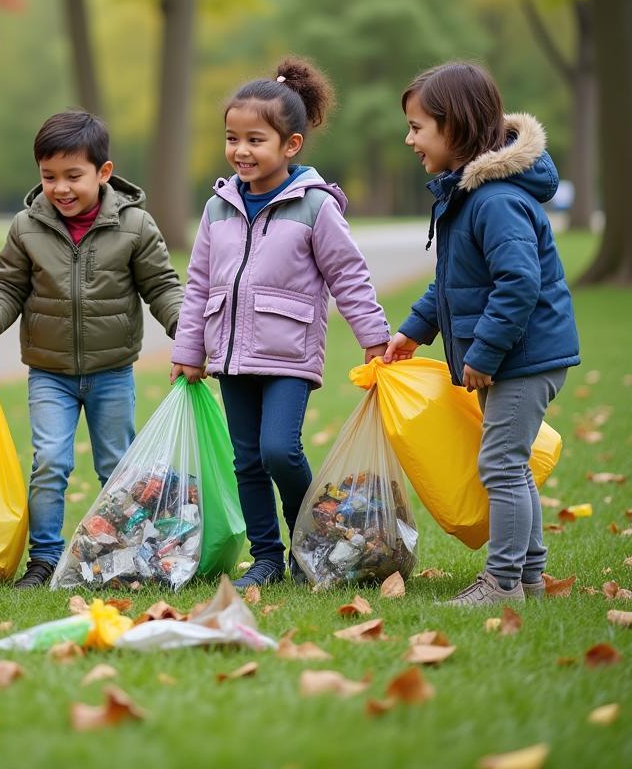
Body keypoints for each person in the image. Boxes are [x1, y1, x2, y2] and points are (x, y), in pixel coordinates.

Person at [171, 57, 390, 590]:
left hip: (288, 353)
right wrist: (188, 347)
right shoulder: (218, 207)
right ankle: (267, 558)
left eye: (254, 140)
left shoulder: (314, 206)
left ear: (290, 145)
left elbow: (348, 274)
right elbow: (199, 282)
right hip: (228, 354)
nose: (241, 151)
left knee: (279, 451)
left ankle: (310, 541)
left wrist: (375, 338)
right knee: (246, 461)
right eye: (232, 138)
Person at [385, 61, 579, 606]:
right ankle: (531, 578)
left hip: (524, 355)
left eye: (418, 127)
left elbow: (518, 283)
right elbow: (457, 283)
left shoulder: (495, 200)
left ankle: (501, 584)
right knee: (508, 464)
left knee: (500, 465)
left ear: (456, 126)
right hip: (513, 353)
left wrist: (487, 352)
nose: (410, 139)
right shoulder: (470, 194)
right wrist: (415, 331)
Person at [0, 111, 184, 588]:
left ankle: (119, 554)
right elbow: (6, 289)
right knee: (50, 462)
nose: (60, 188)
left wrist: (187, 334)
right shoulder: (27, 227)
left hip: (112, 371)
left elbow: (163, 287)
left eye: (73, 176)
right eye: (48, 177)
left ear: (103, 173)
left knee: (116, 466)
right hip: (49, 373)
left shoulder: (135, 225)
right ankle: (43, 559)